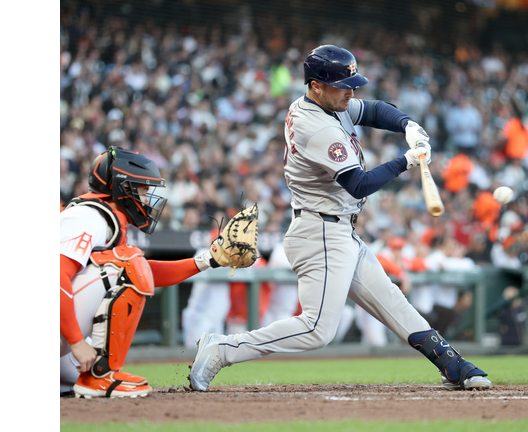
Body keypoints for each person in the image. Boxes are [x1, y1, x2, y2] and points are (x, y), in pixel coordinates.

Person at [189, 45, 491, 391]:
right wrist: (406, 161)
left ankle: (452, 364)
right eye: (342, 85)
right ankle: (222, 348)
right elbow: (358, 185)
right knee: (317, 330)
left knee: (391, 301)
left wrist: (408, 125)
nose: (351, 92)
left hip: (338, 229)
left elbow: (375, 110)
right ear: (316, 85)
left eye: (353, 84)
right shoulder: (317, 127)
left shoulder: (329, 102)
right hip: (320, 232)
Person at [60, 147, 225, 398]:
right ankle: (102, 377)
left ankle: (85, 376)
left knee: (73, 376)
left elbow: (147, 271)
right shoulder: (86, 216)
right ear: (122, 187)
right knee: (129, 262)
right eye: (143, 190)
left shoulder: (105, 217)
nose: (148, 199)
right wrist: (76, 341)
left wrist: (208, 260)